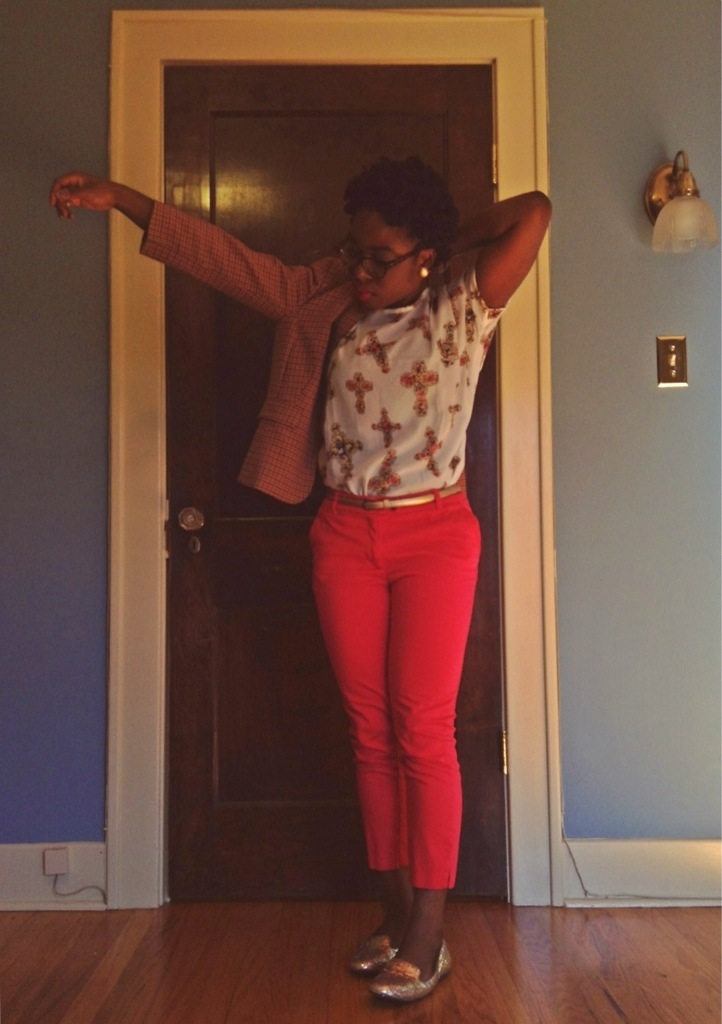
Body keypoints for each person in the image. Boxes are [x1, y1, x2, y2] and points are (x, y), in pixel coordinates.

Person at [50, 158, 550, 1003]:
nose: (361, 271)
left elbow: (534, 211)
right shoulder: (322, 297)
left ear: (424, 255)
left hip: (435, 535)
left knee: (423, 731)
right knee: (370, 732)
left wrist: (444, 246)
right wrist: (123, 200)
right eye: (354, 250)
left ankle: (430, 932)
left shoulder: (463, 304)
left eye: (380, 257)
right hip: (345, 532)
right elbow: (220, 259)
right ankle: (395, 912)